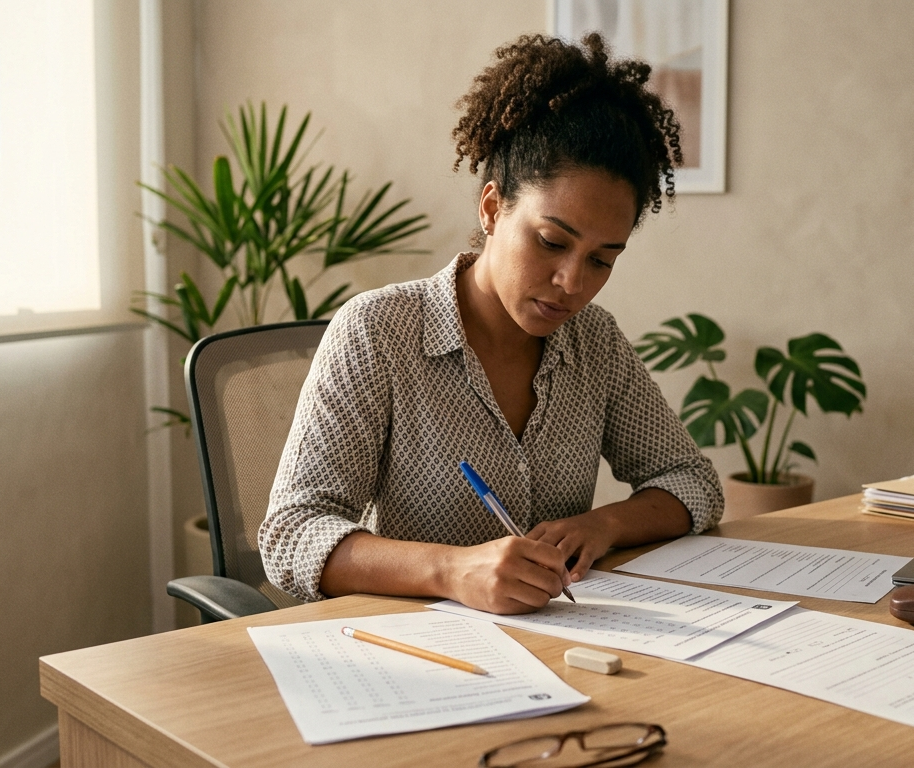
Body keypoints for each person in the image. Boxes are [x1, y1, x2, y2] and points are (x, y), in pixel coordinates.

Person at [259, 33, 723, 615]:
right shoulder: (378, 332)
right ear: (490, 208)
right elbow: (291, 535)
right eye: (552, 242)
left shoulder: (594, 342)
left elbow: (692, 482)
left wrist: (602, 525)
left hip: (563, 645)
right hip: (421, 654)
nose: (573, 283)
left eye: (604, 259)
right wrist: (453, 570)